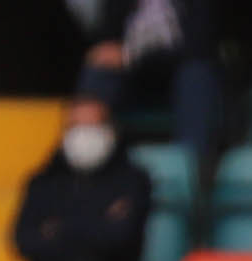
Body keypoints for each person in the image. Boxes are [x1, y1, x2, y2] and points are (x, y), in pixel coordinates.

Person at [12, 91, 152, 261]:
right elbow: (22, 241)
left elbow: (121, 239)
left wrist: (59, 230)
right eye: (75, 127)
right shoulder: (42, 182)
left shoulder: (132, 180)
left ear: (110, 132)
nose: (83, 136)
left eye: (92, 127)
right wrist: (95, 223)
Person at [80, 0, 221, 173]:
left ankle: (191, 170)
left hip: (180, 75)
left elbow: (198, 47)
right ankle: (82, 160)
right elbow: (107, 41)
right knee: (100, 69)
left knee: (197, 74)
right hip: (132, 81)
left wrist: (130, 56)